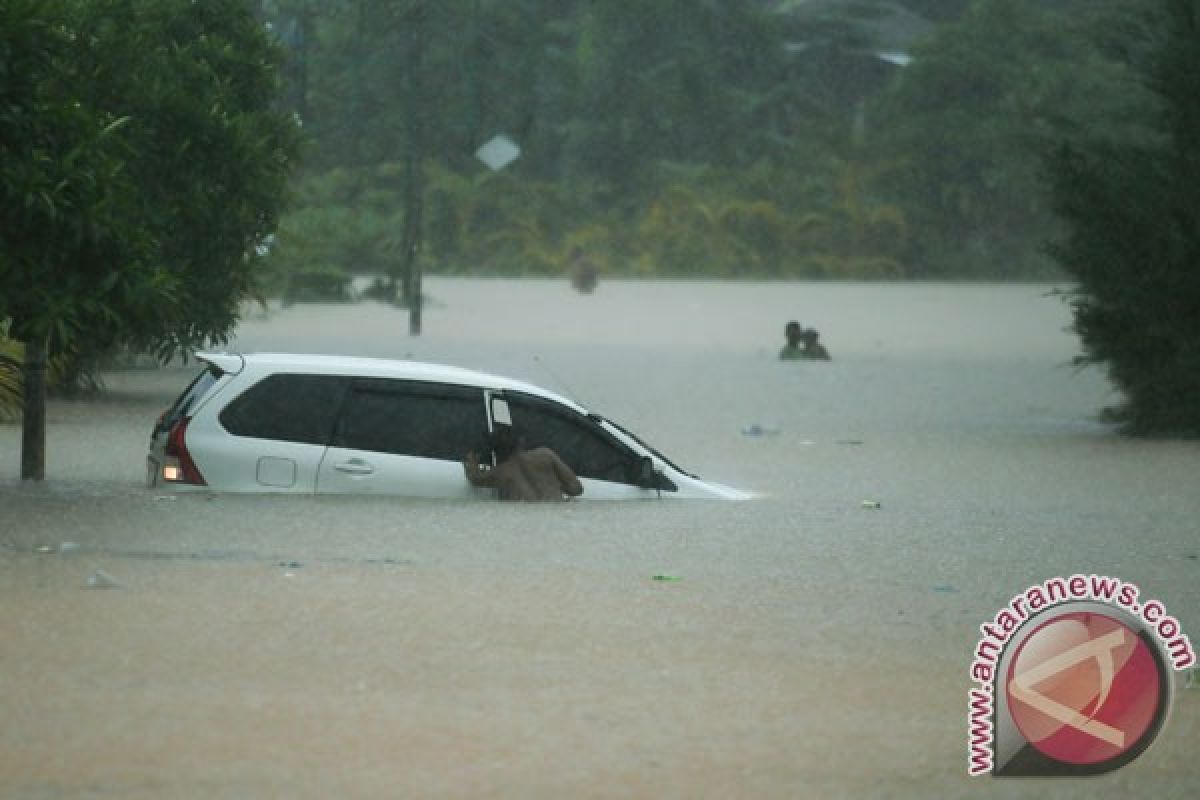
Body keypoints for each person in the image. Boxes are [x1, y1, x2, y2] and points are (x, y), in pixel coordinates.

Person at [463, 426, 584, 502]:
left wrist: (472, 460)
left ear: (497, 451)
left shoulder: (500, 473)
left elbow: (474, 478)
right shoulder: (545, 455)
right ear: (522, 442)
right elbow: (576, 489)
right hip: (559, 515)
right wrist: (553, 485)